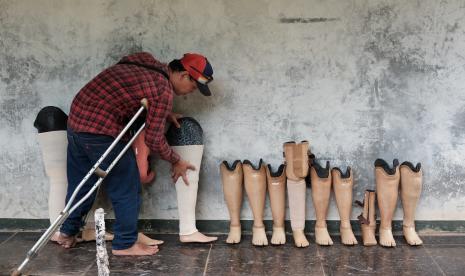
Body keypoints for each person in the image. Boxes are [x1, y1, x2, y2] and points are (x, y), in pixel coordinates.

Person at [56, 52, 214, 256]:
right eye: (193, 87)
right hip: (101, 131)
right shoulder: (163, 91)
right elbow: (154, 140)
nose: (188, 93)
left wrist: (162, 112)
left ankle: (67, 233)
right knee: (127, 184)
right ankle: (125, 244)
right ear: (184, 75)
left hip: (77, 121)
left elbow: (133, 89)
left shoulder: (145, 60)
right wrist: (176, 160)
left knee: (82, 183)